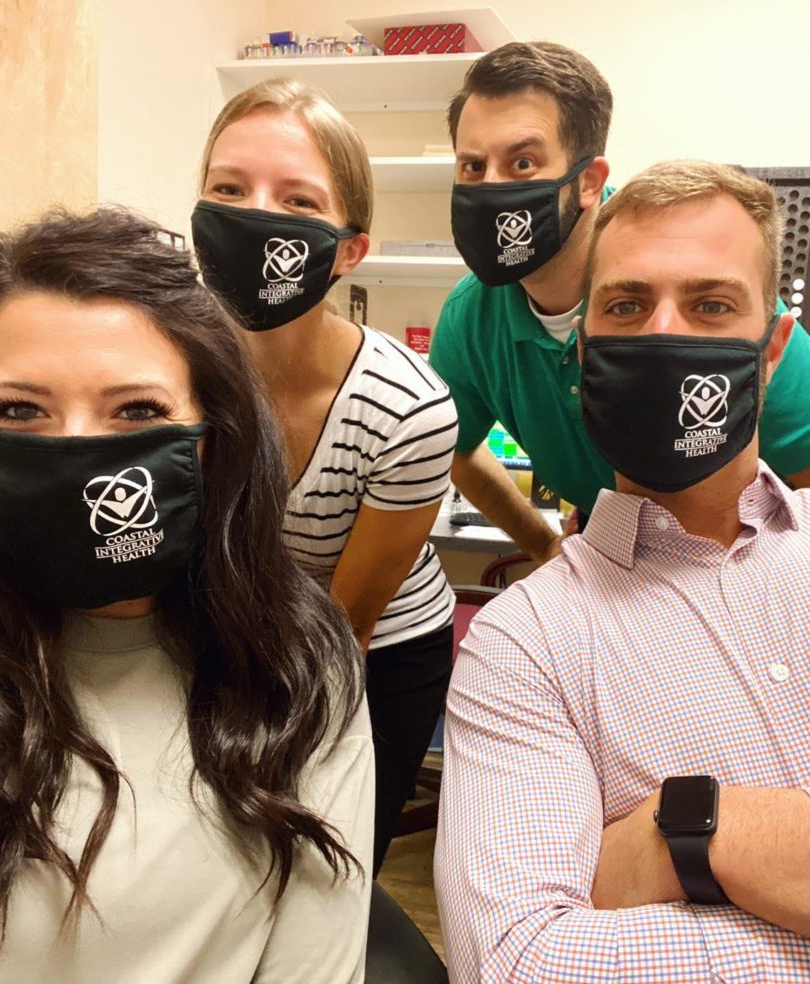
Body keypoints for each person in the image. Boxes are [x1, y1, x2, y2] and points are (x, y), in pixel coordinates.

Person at [434, 161, 810, 983]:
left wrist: (690, 835)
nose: (665, 332)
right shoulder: (523, 644)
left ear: (772, 351)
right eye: (627, 306)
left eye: (711, 305)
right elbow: (519, 965)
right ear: (584, 351)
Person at [0, 208, 373, 982]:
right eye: (19, 410)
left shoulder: (300, 673)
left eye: (139, 411)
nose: (78, 449)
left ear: (214, 441)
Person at [430, 42, 810, 563]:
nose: (492, 187)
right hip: (614, 561)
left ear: (588, 181)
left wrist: (758, 583)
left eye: (522, 162)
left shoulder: (701, 290)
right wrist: (543, 544)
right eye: (473, 166)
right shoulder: (470, 320)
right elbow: (456, 451)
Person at [191, 79, 458, 873]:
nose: (257, 215)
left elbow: (348, 624)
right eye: (228, 189)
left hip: (373, 650)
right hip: (231, 625)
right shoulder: (166, 371)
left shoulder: (408, 407)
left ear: (349, 249)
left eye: (298, 200)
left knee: (327, 863)